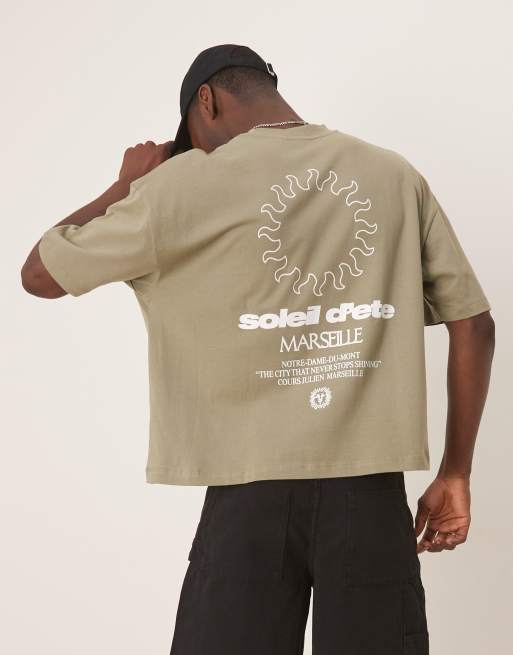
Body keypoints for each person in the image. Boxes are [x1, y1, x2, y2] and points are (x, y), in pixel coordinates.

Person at [21, 44, 495, 654]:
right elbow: (474, 324)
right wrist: (455, 473)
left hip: (247, 498)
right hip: (370, 498)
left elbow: (40, 274)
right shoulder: (392, 174)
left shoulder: (178, 186)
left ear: (207, 101)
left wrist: (125, 185)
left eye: (194, 138)